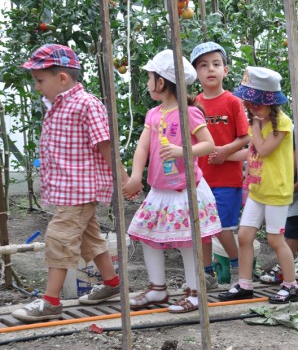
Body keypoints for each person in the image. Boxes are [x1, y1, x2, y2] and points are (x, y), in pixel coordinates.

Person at [12, 44, 125, 322]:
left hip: (80, 188)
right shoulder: (58, 105)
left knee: (59, 238)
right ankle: (112, 283)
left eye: (40, 81)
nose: (37, 88)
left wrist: (123, 178)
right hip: (69, 188)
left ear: (62, 78)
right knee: (89, 238)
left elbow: (105, 144)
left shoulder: (86, 104)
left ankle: (50, 301)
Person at [123, 49, 221, 313]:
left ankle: (195, 293)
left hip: (184, 190)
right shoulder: (153, 114)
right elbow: (143, 147)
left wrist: (181, 151)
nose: (148, 83)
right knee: (146, 234)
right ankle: (157, 288)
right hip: (159, 190)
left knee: (188, 241)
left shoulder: (189, 112)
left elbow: (209, 144)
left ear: (161, 81)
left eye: (150, 77)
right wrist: (135, 176)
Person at [218, 66, 298, 304]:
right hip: (257, 189)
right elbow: (252, 152)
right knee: (244, 236)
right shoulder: (259, 120)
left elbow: (263, 150)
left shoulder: (281, 123)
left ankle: (291, 285)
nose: (252, 107)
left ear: (271, 102)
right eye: (249, 103)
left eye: (257, 103)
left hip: (276, 191)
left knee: (275, 240)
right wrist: (223, 155)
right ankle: (244, 284)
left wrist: (253, 124)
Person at [190, 42, 249, 285]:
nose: (210, 69)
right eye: (203, 66)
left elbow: (245, 138)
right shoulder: (193, 104)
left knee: (222, 227)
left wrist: (225, 151)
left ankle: (240, 264)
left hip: (227, 178)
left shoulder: (233, 102)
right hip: (200, 178)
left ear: (225, 70)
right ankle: (207, 273)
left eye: (216, 64)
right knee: (202, 228)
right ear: (195, 73)